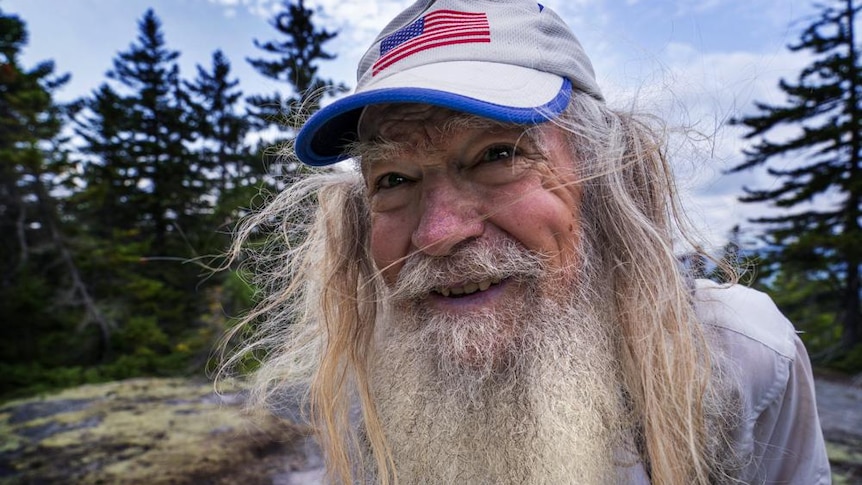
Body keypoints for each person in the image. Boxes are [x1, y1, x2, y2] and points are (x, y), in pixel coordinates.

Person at [221, 0, 831, 483]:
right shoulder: (369, 380)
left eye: (497, 155)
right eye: (395, 179)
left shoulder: (736, 356)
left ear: (604, 175)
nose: (437, 234)